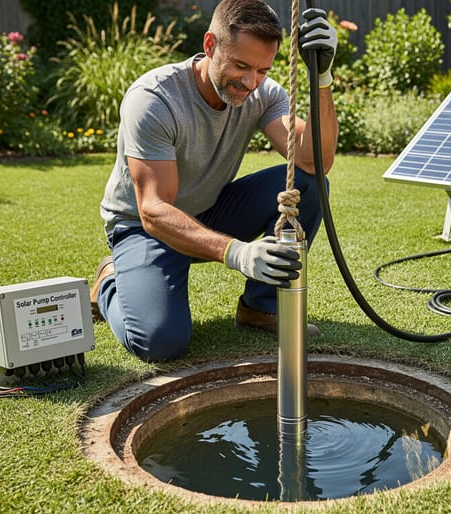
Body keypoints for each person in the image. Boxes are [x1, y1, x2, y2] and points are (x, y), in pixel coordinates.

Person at [90, 0, 339, 362]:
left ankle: (261, 307)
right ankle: (110, 280)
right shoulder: (154, 99)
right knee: (160, 342)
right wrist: (235, 252)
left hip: (210, 209)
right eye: (240, 65)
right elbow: (153, 210)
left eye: (262, 70)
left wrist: (322, 79)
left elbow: (314, 161)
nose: (251, 82)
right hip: (145, 228)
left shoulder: (263, 94)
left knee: (310, 184)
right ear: (210, 45)